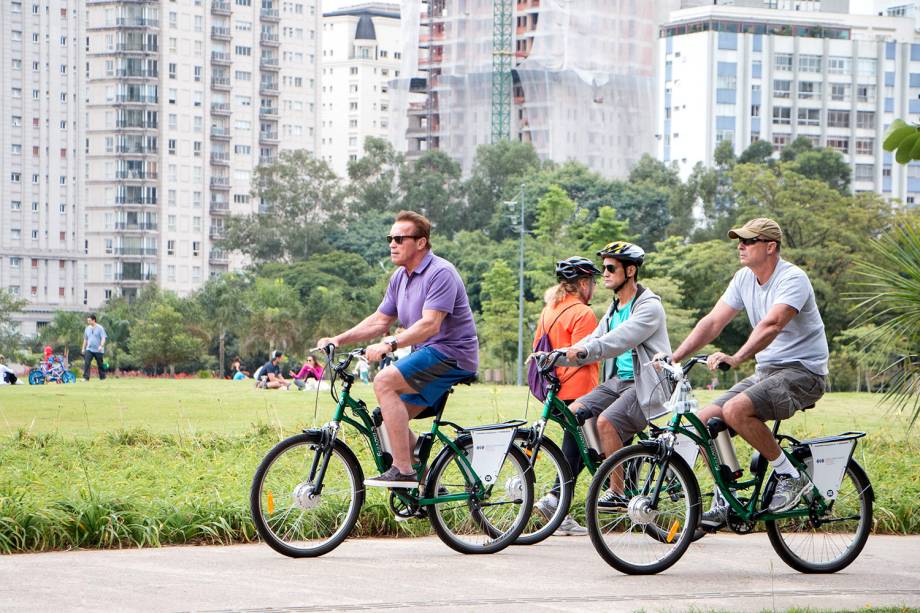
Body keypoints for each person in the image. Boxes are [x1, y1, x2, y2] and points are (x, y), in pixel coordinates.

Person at [663, 218, 829, 529]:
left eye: (749, 241)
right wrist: (674, 356)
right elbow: (713, 322)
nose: (741, 245)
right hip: (767, 372)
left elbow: (773, 324)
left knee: (736, 409)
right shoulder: (743, 279)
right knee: (703, 421)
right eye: (739, 240)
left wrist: (738, 357)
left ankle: (790, 476)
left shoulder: (793, 278)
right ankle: (726, 499)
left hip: (803, 373)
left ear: (771, 247)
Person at [317, 210, 479, 489]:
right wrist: (338, 339)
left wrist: (390, 344)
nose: (392, 243)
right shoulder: (399, 278)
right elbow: (380, 320)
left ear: (421, 242)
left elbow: (431, 324)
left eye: (399, 238)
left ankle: (403, 470)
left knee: (384, 380)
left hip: (451, 356)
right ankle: (427, 479)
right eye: (390, 238)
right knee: (385, 416)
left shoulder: (441, 273)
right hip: (426, 356)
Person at [551, 241, 672, 510]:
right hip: (619, 382)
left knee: (606, 422)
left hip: (648, 385)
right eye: (603, 267)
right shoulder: (615, 307)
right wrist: (555, 355)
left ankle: (617, 491)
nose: (603, 273)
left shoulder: (648, 307)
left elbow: (617, 341)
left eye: (609, 267)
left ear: (630, 271)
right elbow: (594, 339)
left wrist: (583, 349)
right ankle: (611, 468)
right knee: (574, 413)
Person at [532, 256, 602, 536]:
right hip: (581, 390)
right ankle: (555, 503)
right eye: (593, 282)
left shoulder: (550, 309)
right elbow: (586, 353)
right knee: (590, 447)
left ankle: (557, 505)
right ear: (583, 284)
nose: (594, 288)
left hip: (556, 391)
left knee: (579, 450)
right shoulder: (584, 314)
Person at [82, 314, 107, 381]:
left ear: (94, 320)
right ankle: (85, 378)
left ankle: (102, 378)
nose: (88, 322)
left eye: (89, 320)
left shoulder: (100, 328)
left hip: (98, 350)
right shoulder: (87, 328)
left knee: (100, 364)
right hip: (89, 349)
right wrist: (83, 348)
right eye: (88, 320)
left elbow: (103, 338)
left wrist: (101, 346)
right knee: (87, 363)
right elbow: (85, 339)